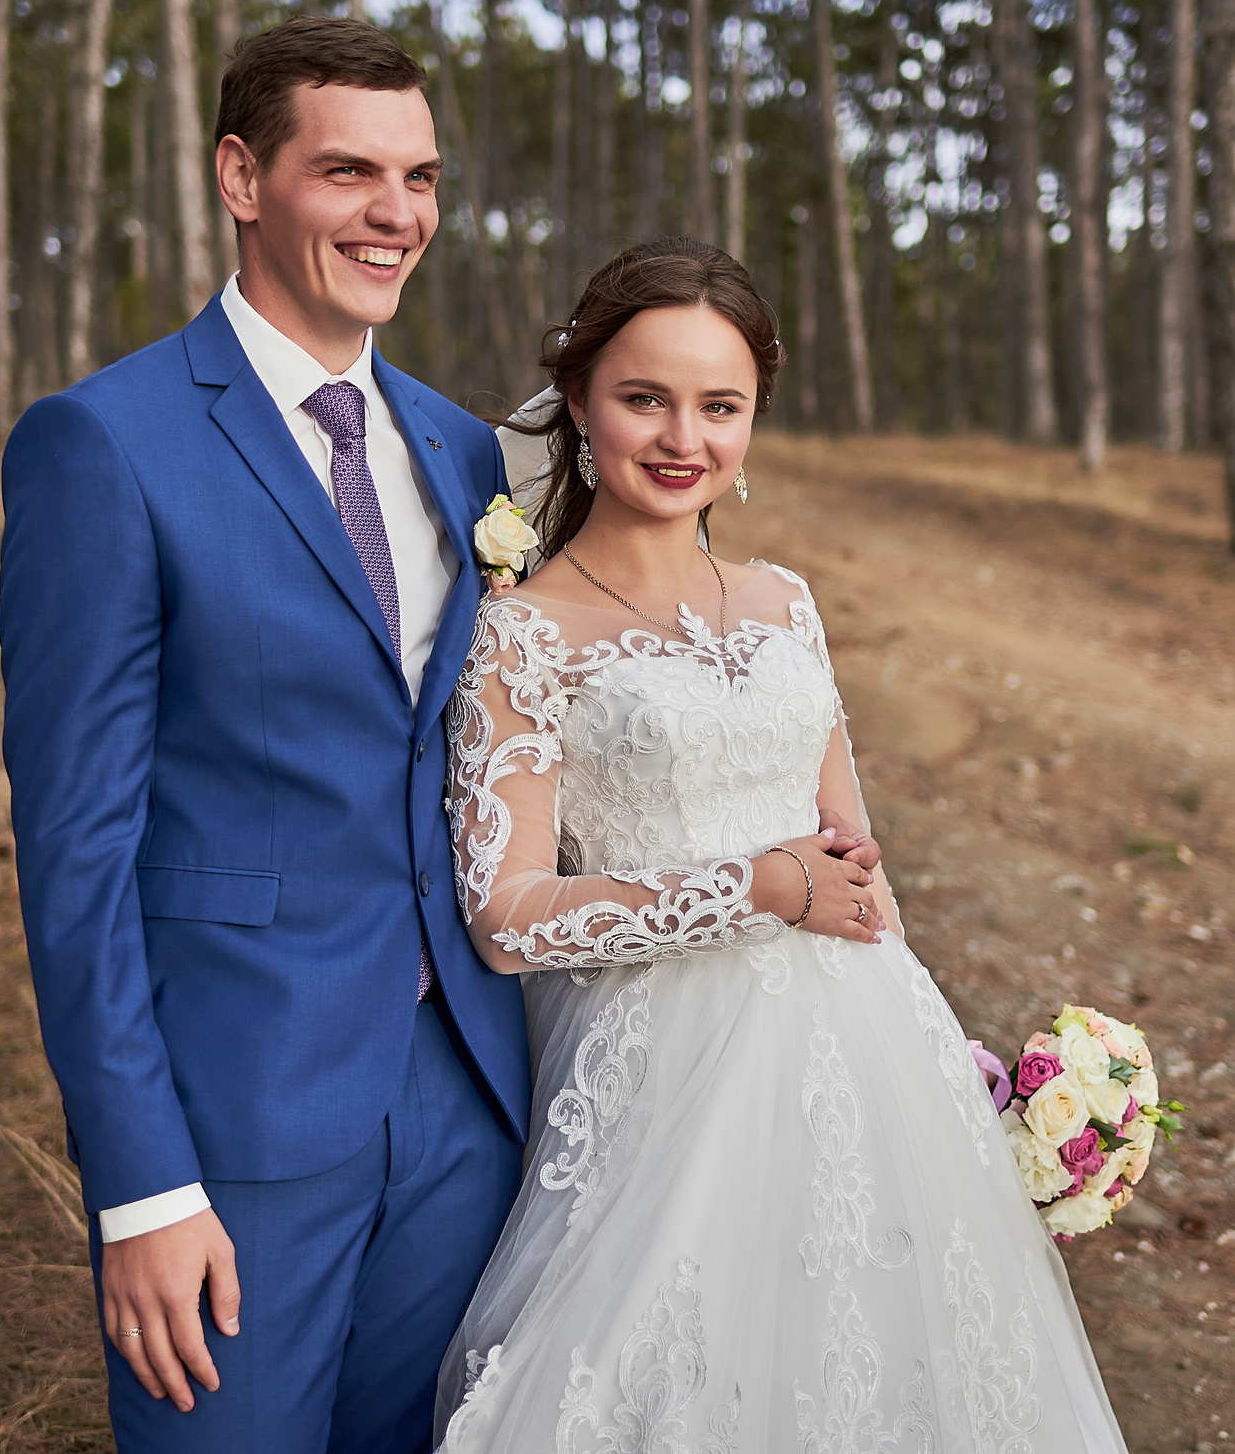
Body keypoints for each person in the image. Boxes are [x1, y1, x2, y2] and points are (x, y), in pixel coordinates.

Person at [433, 239, 1133, 1453]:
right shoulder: (523, 632)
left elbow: (856, 861)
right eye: (645, 397)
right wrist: (753, 888)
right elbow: (507, 917)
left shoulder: (784, 599)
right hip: (669, 1074)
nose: (682, 437)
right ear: (580, 401)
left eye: (720, 405)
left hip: (867, 1046)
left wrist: (955, 1069)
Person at [0, 16, 535, 1453]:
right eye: (348, 171)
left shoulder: (464, 449)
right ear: (242, 177)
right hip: (237, 1114)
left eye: (420, 177)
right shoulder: (104, 443)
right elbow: (74, 850)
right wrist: (142, 1184)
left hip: (466, 1094)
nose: (395, 213)